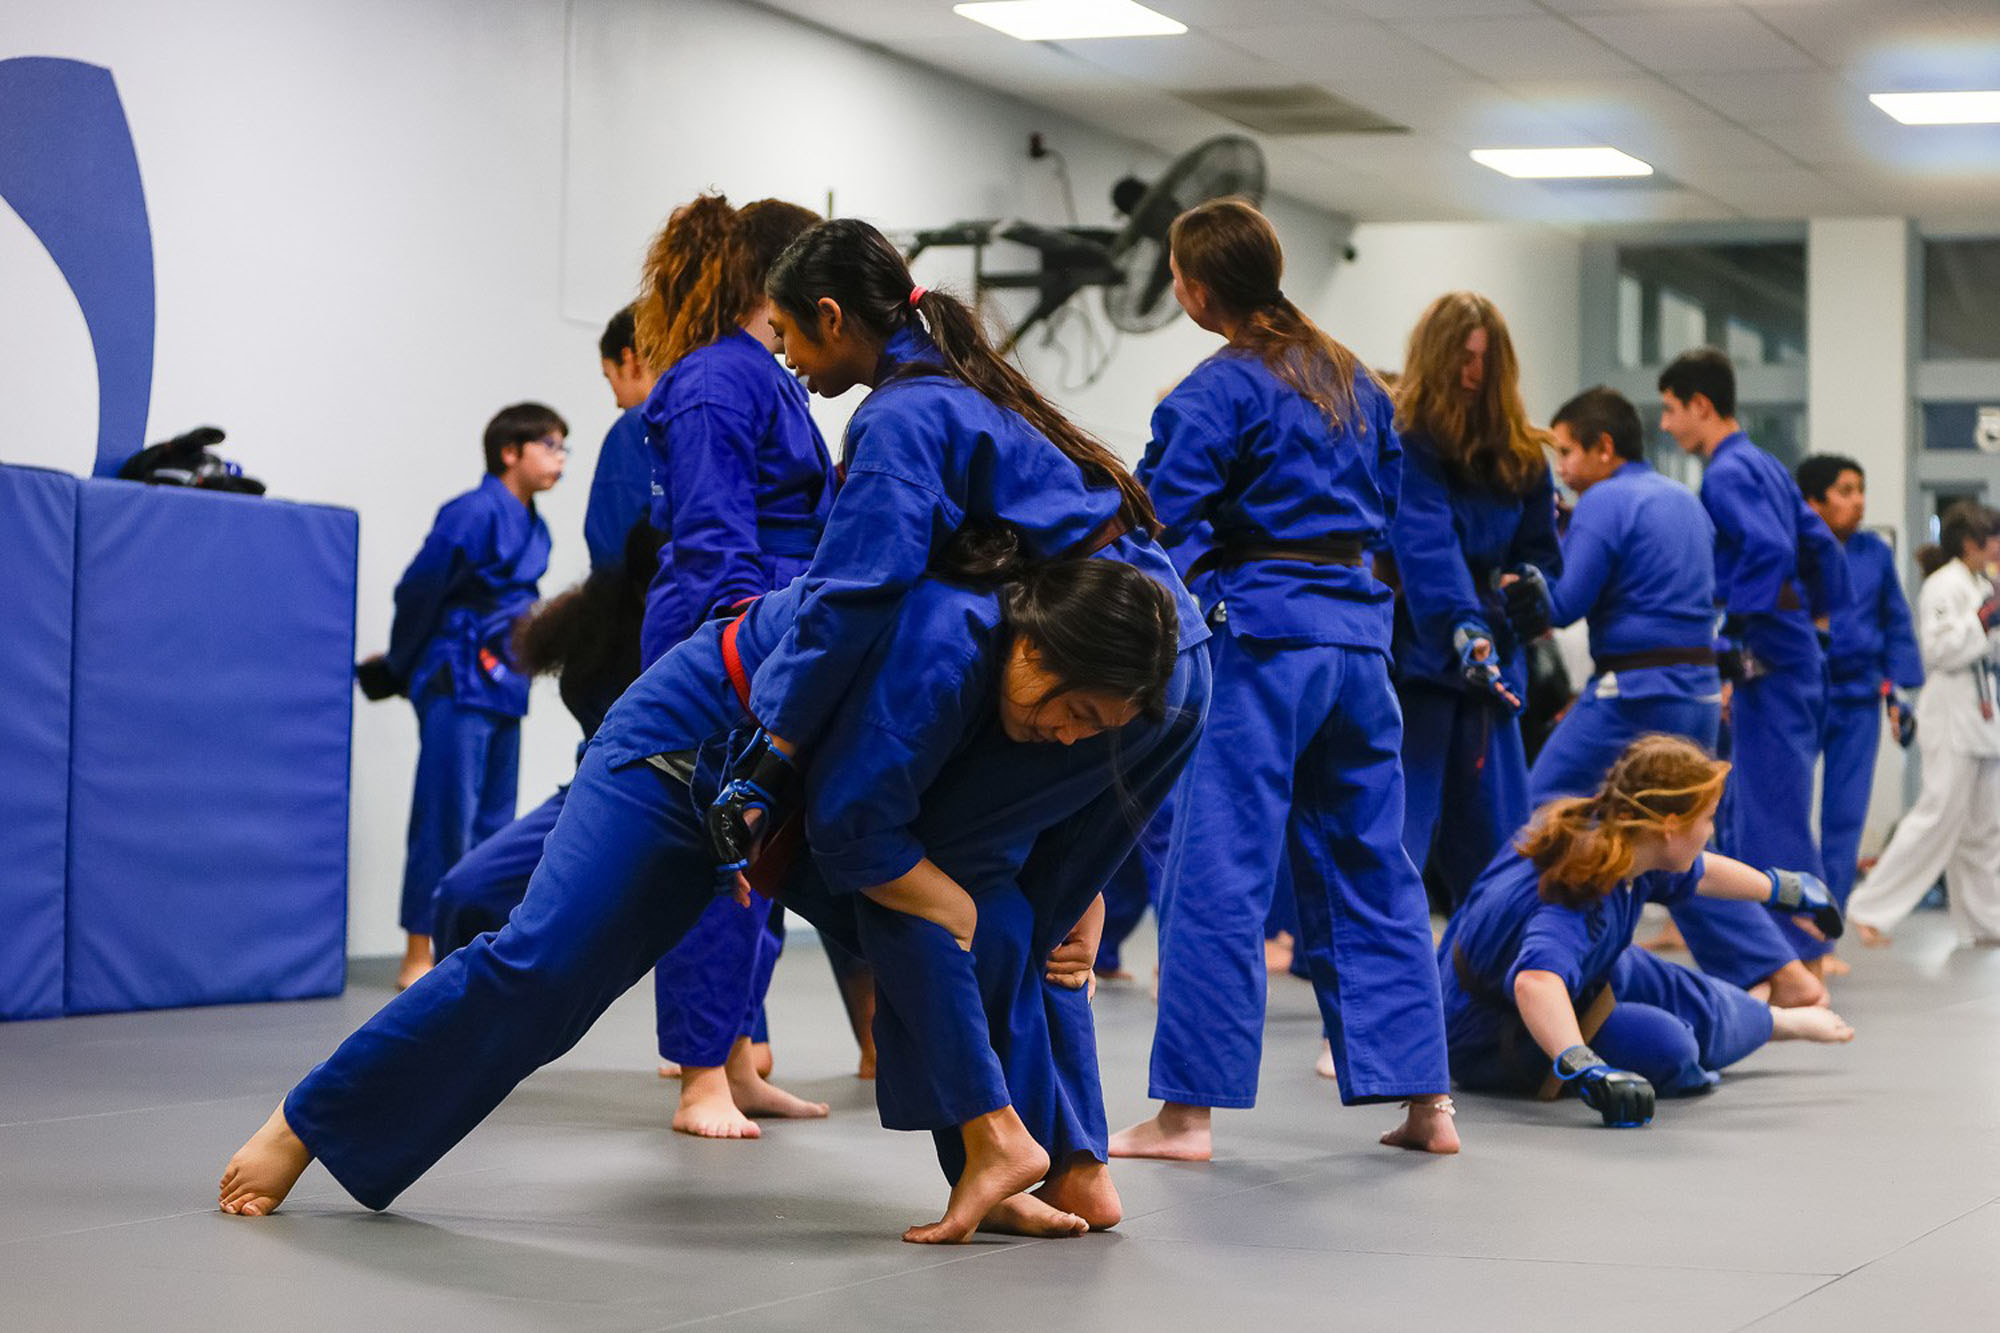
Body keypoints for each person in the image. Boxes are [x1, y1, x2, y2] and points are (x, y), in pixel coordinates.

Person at [219, 551, 1203, 1246]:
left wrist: (1032, 894)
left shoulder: (1016, 665)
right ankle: (308, 1122)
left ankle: (992, 1169)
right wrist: (948, 901)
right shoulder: (943, 649)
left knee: (980, 936)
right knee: (544, 970)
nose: (1073, 738)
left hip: (788, 802)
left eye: (1096, 731)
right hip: (682, 755)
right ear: (1035, 651)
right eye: (1074, 713)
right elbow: (866, 837)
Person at [1108, 199, 1456, 1164]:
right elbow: (1385, 508)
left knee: (1218, 868)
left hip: (1262, 642)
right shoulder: (1355, 381)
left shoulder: (1212, 393)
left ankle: (1187, 1116)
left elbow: (1157, 519)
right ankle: (1428, 1104)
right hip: (1357, 642)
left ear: (1194, 285)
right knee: (1375, 866)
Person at [628, 193, 837, 1136]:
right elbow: (715, 536)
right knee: (719, 853)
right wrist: (745, 649)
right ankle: (699, 1073)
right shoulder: (718, 377)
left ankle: (742, 1056)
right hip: (727, 633)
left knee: (766, 856)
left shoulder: (776, 375)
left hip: (783, 622)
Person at [1509, 389, 1825, 1009]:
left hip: (1634, 693)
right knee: (1673, 842)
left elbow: (1563, 606)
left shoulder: (1604, 501)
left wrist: (1517, 577)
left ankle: (1536, 951)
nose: (1563, 468)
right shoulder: (1684, 498)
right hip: (1699, 689)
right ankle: (1782, 971)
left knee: (1538, 808)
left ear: (1604, 449)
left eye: (1569, 452)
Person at [1441, 735, 1854, 1126]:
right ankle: (1768, 1021)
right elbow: (1535, 982)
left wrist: (1787, 890)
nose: (1711, 831)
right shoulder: (1580, 890)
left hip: (1583, 971)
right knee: (1670, 1049)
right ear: (1670, 825)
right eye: (1707, 819)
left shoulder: (1623, 838)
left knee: (1674, 987)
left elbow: (1702, 872)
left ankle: (1774, 1020)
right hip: (1491, 1032)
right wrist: (1583, 1065)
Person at [1657, 347, 1850, 991]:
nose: (1663, 424)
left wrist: (1736, 636)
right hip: (1789, 650)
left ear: (1701, 407)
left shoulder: (1726, 473)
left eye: (1669, 409)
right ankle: (1785, 954)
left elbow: (1768, 548)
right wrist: (1817, 622)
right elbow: (1820, 545)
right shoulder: (1764, 463)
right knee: (1757, 807)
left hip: (1768, 655)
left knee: (1769, 811)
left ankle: (1801, 960)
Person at [358, 403, 566, 991]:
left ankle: (473, 944)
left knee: (496, 822)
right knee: (444, 815)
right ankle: (417, 949)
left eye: (562, 449)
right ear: (510, 452)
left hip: (507, 677)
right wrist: (405, 665)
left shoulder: (536, 525)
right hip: (456, 674)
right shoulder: (472, 512)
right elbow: (418, 588)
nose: (559, 461)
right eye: (548, 446)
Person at [1388, 292, 1560, 912]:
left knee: (1500, 847)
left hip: (1493, 674)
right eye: (1462, 357)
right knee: (1395, 842)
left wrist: (1531, 588)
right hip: (1419, 663)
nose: (1473, 372)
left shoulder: (1522, 456)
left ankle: (1499, 985)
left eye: (1486, 360)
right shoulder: (1406, 441)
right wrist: (1463, 624)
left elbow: (1543, 553)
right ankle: (1387, 999)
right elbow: (1425, 541)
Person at [1846, 502, 2000, 946]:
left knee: (1984, 827)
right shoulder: (1943, 585)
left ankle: (1983, 922)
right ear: (1972, 543)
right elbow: (1938, 651)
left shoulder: (1979, 583)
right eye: (1992, 539)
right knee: (1935, 817)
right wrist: (1982, 619)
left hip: (1984, 714)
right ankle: (1868, 908)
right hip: (1951, 713)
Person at [1796, 454, 1923, 964]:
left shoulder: (1874, 553)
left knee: (1844, 821)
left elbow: (1895, 622)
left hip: (1858, 700)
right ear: (1814, 501)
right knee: (1785, 814)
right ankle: (1786, 937)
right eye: (1845, 490)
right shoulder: (1794, 548)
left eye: (1861, 489)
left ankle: (1823, 937)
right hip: (1798, 696)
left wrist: (1899, 691)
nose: (1859, 500)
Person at [581, 305, 657, 573]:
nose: (616, 401)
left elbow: (613, 544)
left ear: (630, 360)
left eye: (610, 376)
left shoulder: (637, 426)